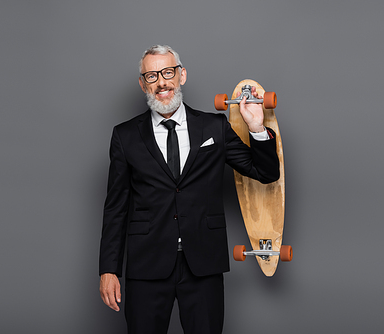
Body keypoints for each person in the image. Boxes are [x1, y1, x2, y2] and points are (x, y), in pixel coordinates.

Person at [99, 45, 279, 334]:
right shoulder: (125, 136)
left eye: (168, 72)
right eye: (152, 76)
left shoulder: (214, 127)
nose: (161, 82)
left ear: (181, 75)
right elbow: (116, 207)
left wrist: (257, 127)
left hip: (203, 263)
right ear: (143, 84)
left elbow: (266, 174)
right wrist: (109, 269)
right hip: (147, 265)